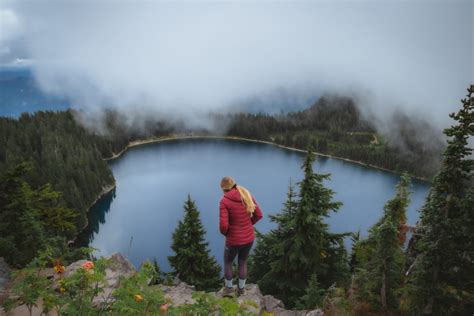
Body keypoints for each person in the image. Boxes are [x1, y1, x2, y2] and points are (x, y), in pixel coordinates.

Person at [219, 176, 263, 297]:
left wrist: (228, 233)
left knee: (228, 262)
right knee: (242, 262)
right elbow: (259, 215)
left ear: (223, 188)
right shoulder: (246, 194)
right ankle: (241, 289)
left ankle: (228, 289)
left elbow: (223, 226)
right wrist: (248, 225)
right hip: (249, 238)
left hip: (233, 240)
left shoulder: (224, 201)